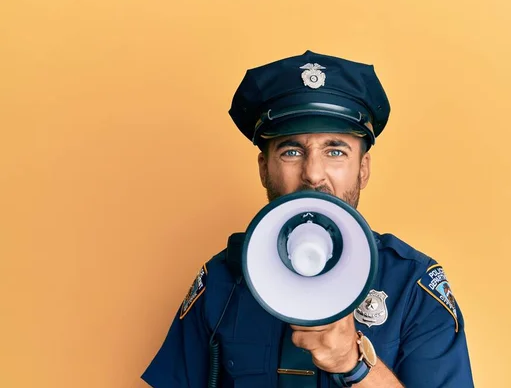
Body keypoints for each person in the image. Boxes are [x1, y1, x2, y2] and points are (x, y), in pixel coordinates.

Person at [141, 50, 475, 388]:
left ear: (363, 169)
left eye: (335, 151)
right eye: (291, 151)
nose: (313, 175)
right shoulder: (222, 281)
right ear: (263, 168)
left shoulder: (412, 284)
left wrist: (355, 365)